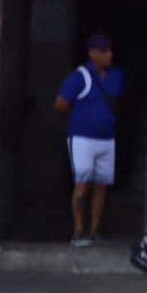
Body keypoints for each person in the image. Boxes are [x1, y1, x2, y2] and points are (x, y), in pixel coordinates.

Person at [55, 32, 123, 247]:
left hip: (107, 139)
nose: (109, 54)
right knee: (82, 185)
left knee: (101, 185)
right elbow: (60, 103)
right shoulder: (79, 77)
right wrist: (81, 116)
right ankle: (78, 230)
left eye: (110, 50)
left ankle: (94, 230)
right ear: (92, 54)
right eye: (104, 51)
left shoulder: (115, 75)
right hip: (82, 139)